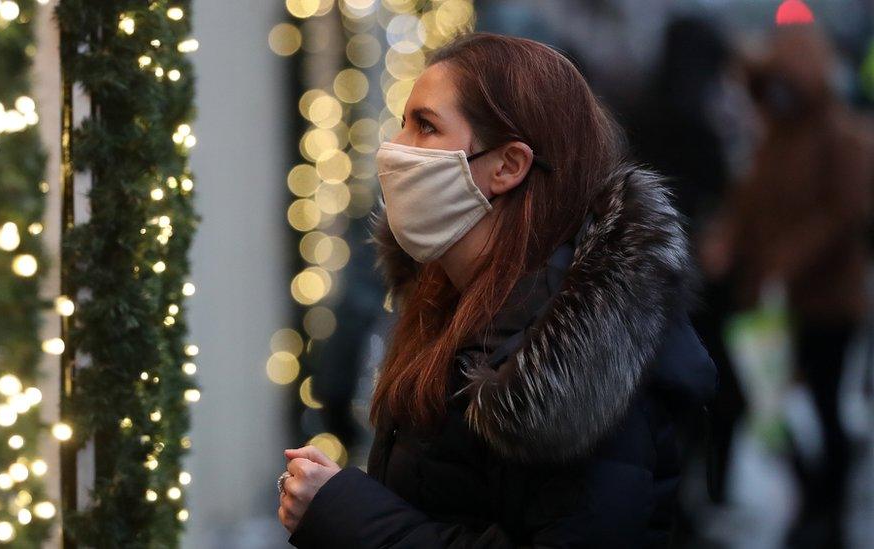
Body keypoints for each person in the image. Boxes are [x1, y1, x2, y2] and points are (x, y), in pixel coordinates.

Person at [277, 32, 718, 548]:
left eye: (425, 126)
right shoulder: (449, 297)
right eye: (403, 122)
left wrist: (343, 512)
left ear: (508, 165)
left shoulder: (581, 355)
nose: (395, 148)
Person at [702, 25, 874, 549]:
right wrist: (726, 240)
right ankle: (811, 499)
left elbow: (845, 216)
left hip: (827, 303)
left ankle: (829, 508)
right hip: (773, 306)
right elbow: (747, 206)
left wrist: (786, 261)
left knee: (823, 406)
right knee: (773, 409)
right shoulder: (771, 140)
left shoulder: (842, 138)